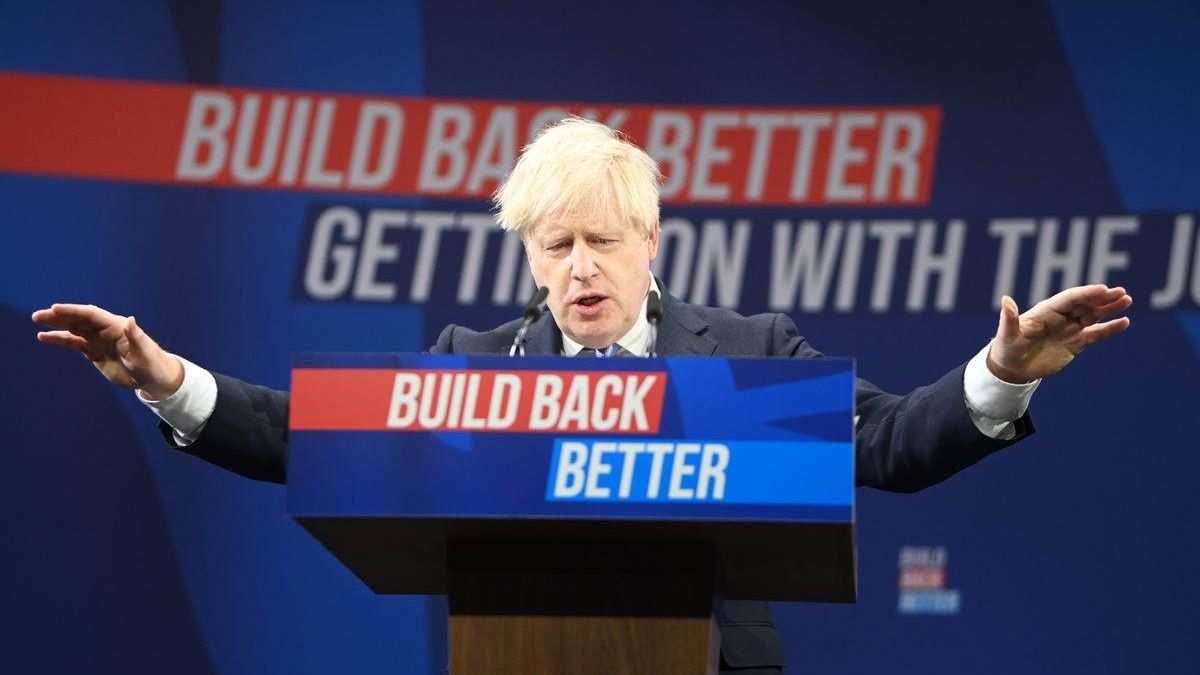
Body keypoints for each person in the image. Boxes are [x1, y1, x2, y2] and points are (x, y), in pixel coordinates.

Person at [32, 117, 1132, 673]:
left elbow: (891, 443)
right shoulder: (477, 362)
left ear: (651, 243)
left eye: (601, 241)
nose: (580, 270)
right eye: (554, 246)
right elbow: (316, 435)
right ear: (527, 257)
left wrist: (1001, 375)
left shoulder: (744, 354)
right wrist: (173, 385)